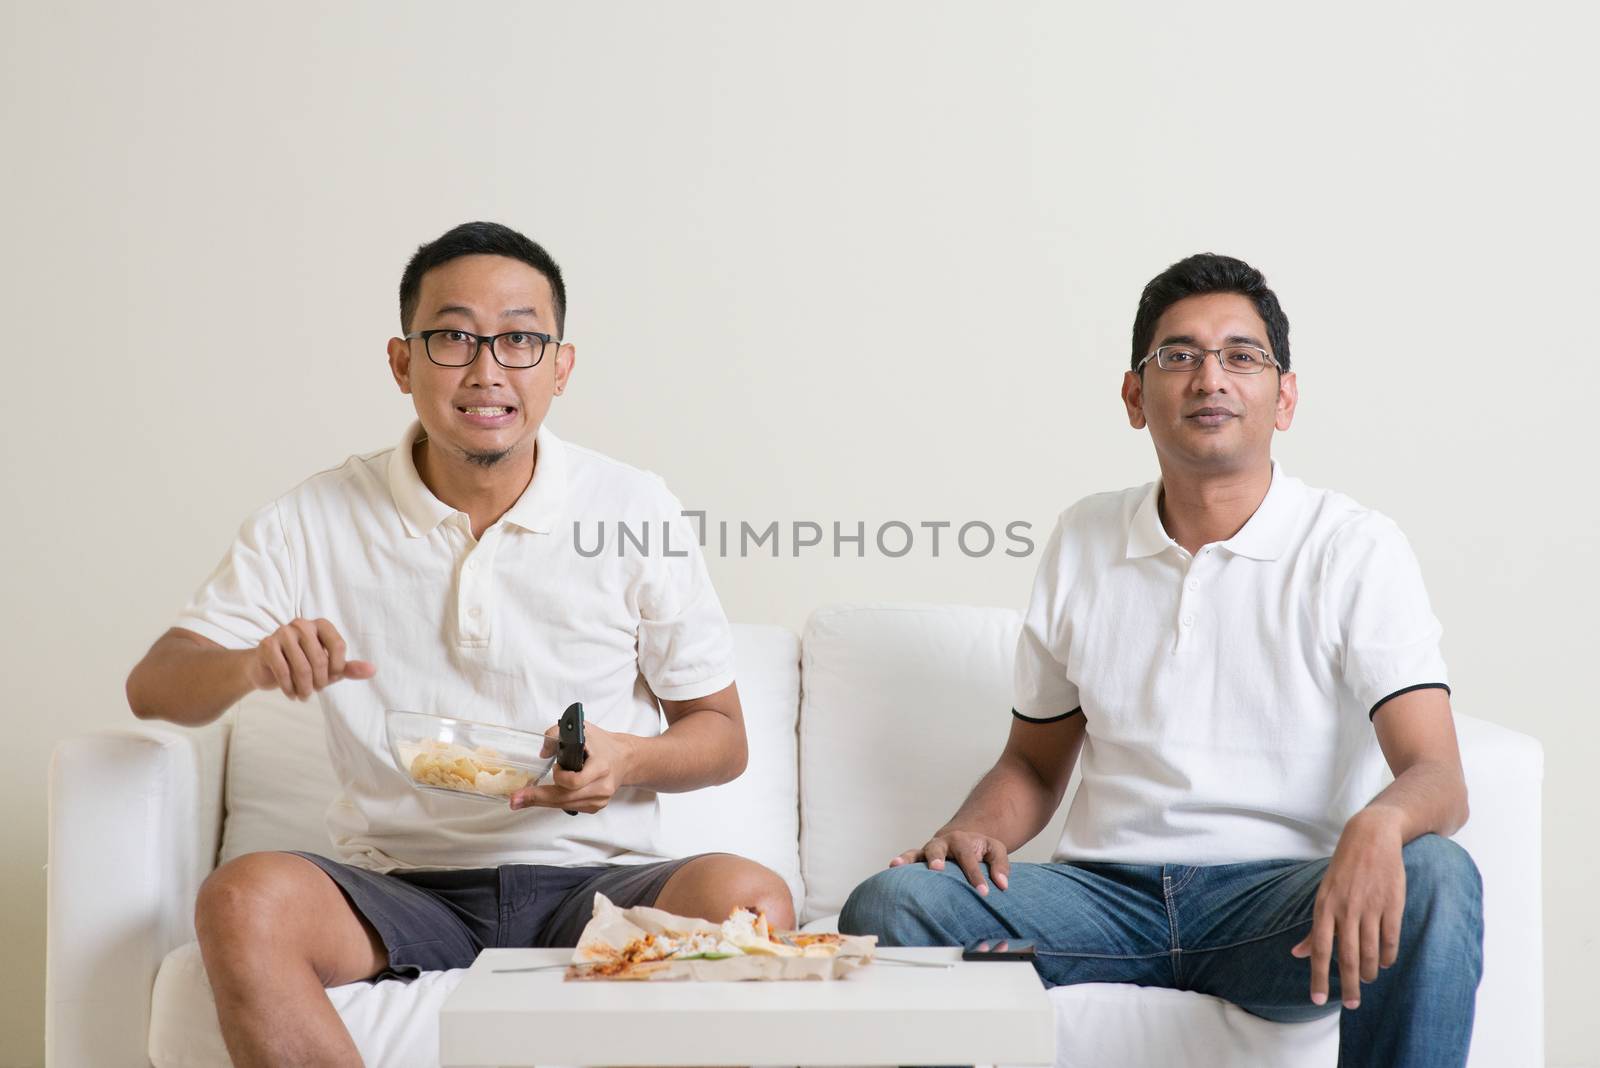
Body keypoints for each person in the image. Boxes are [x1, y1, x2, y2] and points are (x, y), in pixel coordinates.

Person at [125, 221, 792, 1067]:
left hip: (597, 882)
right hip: (397, 885)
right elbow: (156, 686)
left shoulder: (632, 508)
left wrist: (624, 760)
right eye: (453, 338)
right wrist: (253, 662)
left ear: (560, 365)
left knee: (752, 897)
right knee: (241, 900)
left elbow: (721, 737)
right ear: (403, 362)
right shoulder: (312, 518)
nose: (487, 371)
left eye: (519, 339)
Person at [841, 253, 1483, 1066]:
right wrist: (969, 831)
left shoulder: (1354, 547)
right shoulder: (1083, 537)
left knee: (1437, 874)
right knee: (894, 902)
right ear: (1134, 396)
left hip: (1278, 904)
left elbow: (1438, 772)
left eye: (1241, 357)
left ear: (1283, 398)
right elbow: (1035, 768)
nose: (1210, 378)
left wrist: (1379, 823)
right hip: (1102, 901)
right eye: (1178, 356)